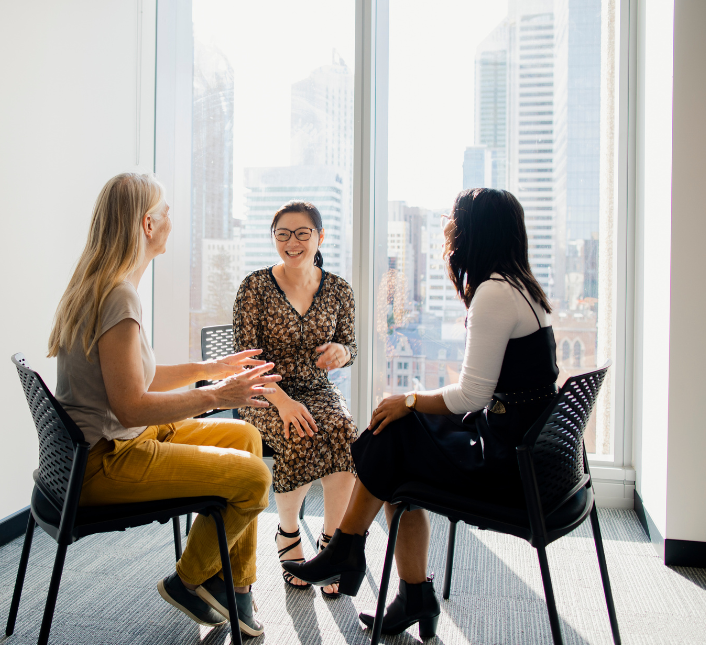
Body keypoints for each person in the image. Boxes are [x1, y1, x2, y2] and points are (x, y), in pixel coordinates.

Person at [283, 188, 560, 639]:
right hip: (525, 448)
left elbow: (471, 394)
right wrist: (408, 405)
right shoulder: (522, 287)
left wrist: (408, 399)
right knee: (396, 439)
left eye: (453, 220)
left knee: (393, 433)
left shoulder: (494, 293)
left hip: (509, 467)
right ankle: (389, 579)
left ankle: (352, 554)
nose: (448, 228)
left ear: (473, 231)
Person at [47, 172, 279, 637]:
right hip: (107, 461)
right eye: (166, 212)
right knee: (256, 477)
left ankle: (236, 586)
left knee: (246, 436)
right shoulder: (118, 297)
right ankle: (189, 580)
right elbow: (132, 406)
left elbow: (137, 377)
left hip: (112, 444)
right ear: (147, 225)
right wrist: (218, 396)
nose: (172, 221)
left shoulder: (104, 284)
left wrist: (209, 369)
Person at [233, 201, 358, 598]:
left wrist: (343, 352)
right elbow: (245, 363)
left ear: (320, 238)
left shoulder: (338, 290)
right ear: (273, 239)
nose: (292, 242)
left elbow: (349, 345)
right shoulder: (254, 287)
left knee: (343, 431)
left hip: (316, 388)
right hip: (263, 391)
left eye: (302, 233)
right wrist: (283, 402)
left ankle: (332, 543)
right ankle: (288, 535)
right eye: (283, 234)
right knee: (298, 431)